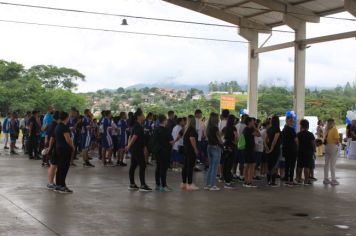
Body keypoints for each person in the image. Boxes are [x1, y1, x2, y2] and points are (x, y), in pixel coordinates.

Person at [127, 109, 152, 192]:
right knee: (142, 165)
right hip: (137, 149)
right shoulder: (137, 126)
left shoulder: (135, 125)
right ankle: (143, 185)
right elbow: (134, 137)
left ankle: (132, 184)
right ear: (139, 116)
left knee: (133, 165)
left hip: (135, 148)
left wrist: (129, 146)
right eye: (143, 115)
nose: (144, 117)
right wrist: (128, 146)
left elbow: (130, 136)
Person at [153, 114, 174, 192]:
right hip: (165, 151)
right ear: (165, 120)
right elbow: (171, 141)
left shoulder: (156, 129)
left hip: (157, 151)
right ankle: (164, 185)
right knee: (163, 169)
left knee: (158, 167)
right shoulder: (166, 130)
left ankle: (157, 185)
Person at [55, 111, 75, 193]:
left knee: (60, 167)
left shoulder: (58, 126)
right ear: (66, 118)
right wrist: (73, 147)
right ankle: (62, 186)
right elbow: (68, 139)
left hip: (58, 148)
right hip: (65, 149)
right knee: (64, 168)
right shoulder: (64, 127)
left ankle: (58, 185)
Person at [204, 112, 223, 191]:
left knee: (211, 166)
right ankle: (212, 185)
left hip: (209, 147)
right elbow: (219, 139)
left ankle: (207, 184)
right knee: (215, 167)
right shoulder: (215, 128)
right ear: (216, 119)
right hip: (216, 147)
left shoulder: (208, 127)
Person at [181, 115, 199, 191]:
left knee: (185, 167)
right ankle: (190, 184)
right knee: (190, 167)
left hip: (186, 150)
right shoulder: (192, 129)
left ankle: (184, 183)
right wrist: (195, 149)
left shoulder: (186, 129)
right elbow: (192, 139)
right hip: (190, 150)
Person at [242, 117, 261, 187]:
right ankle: (249, 182)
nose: (254, 123)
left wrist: (254, 127)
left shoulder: (246, 129)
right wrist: (255, 128)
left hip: (246, 150)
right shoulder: (249, 130)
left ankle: (246, 181)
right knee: (251, 165)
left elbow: (259, 135)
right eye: (253, 121)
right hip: (249, 150)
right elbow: (259, 134)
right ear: (249, 122)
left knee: (247, 165)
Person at [296, 119, 316, 186]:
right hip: (308, 152)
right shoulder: (310, 134)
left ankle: (298, 179)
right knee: (306, 167)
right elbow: (313, 143)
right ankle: (306, 181)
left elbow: (297, 144)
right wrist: (314, 150)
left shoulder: (298, 134)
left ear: (301, 126)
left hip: (300, 152)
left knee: (299, 166)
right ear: (308, 126)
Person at [222, 115, 237, 189]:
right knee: (229, 165)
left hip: (225, 146)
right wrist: (235, 143)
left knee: (225, 164)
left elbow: (221, 135)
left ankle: (226, 180)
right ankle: (228, 183)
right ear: (233, 120)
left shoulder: (225, 128)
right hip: (231, 146)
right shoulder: (233, 128)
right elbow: (236, 137)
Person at [281, 116, 298, 186]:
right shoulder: (292, 130)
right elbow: (296, 140)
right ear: (288, 121)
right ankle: (291, 180)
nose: (293, 122)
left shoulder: (284, 129)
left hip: (285, 149)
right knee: (292, 165)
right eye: (291, 121)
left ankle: (286, 179)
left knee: (287, 165)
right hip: (292, 150)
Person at [265, 115, 281, 187]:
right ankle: (273, 182)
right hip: (275, 149)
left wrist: (267, 148)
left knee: (269, 165)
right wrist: (271, 148)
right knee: (274, 166)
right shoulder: (277, 129)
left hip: (268, 148)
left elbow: (265, 140)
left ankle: (268, 181)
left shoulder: (269, 129)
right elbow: (275, 140)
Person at [323, 118, 340, 186]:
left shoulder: (326, 130)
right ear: (333, 123)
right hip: (333, 147)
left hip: (327, 147)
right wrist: (338, 144)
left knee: (326, 164)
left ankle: (326, 178)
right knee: (332, 164)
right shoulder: (334, 129)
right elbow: (337, 140)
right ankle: (333, 180)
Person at [46, 111, 60, 190]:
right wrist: (50, 148)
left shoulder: (52, 124)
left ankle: (51, 182)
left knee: (53, 165)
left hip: (53, 147)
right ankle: (50, 183)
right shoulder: (55, 125)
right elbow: (52, 138)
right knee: (53, 166)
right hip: (53, 147)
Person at [235, 114, 248, 181]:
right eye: (246, 118)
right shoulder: (246, 126)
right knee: (241, 161)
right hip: (242, 145)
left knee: (236, 161)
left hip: (237, 145)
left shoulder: (236, 125)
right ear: (243, 118)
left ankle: (235, 174)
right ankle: (241, 175)